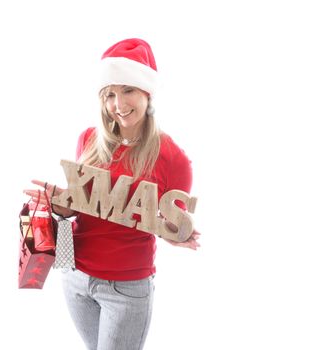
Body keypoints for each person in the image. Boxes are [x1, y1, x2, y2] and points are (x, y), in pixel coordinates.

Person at [24, 38, 200, 350]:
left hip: (127, 287)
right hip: (75, 276)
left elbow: (160, 220)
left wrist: (174, 232)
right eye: (110, 95)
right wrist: (61, 205)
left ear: (147, 92)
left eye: (128, 90)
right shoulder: (89, 139)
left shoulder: (173, 158)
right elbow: (84, 210)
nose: (118, 105)